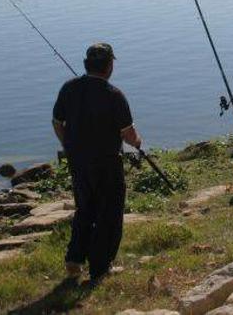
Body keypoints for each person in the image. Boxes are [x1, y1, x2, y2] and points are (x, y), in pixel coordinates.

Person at [52, 42, 142, 285]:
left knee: (84, 209)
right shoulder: (114, 95)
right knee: (109, 213)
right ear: (109, 66)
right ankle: (100, 268)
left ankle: (74, 260)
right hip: (107, 164)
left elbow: (57, 122)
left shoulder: (68, 89)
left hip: (78, 163)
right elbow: (129, 134)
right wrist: (138, 142)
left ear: (87, 64)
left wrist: (69, 146)